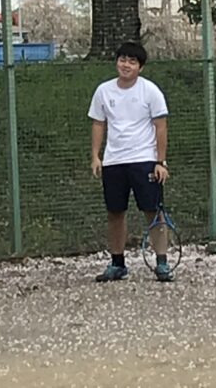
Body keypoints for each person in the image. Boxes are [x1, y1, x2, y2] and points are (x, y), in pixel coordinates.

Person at [88, 41, 173, 283]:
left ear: (141, 67)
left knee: (153, 211)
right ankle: (117, 263)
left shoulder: (151, 91)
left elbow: (160, 126)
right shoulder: (103, 91)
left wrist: (160, 161)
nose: (126, 65)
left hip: (144, 160)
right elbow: (98, 123)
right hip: (115, 161)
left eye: (132, 62)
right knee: (115, 212)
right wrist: (96, 155)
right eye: (123, 60)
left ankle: (162, 262)